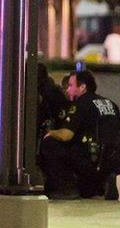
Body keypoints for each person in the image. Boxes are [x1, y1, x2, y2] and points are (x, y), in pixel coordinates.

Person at [40, 70, 120, 200]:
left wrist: (50, 133)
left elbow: (66, 135)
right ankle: (102, 185)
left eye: (71, 86)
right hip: (113, 161)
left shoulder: (81, 103)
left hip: (92, 160)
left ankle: (66, 188)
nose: (67, 90)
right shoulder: (111, 104)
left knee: (50, 144)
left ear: (82, 87)